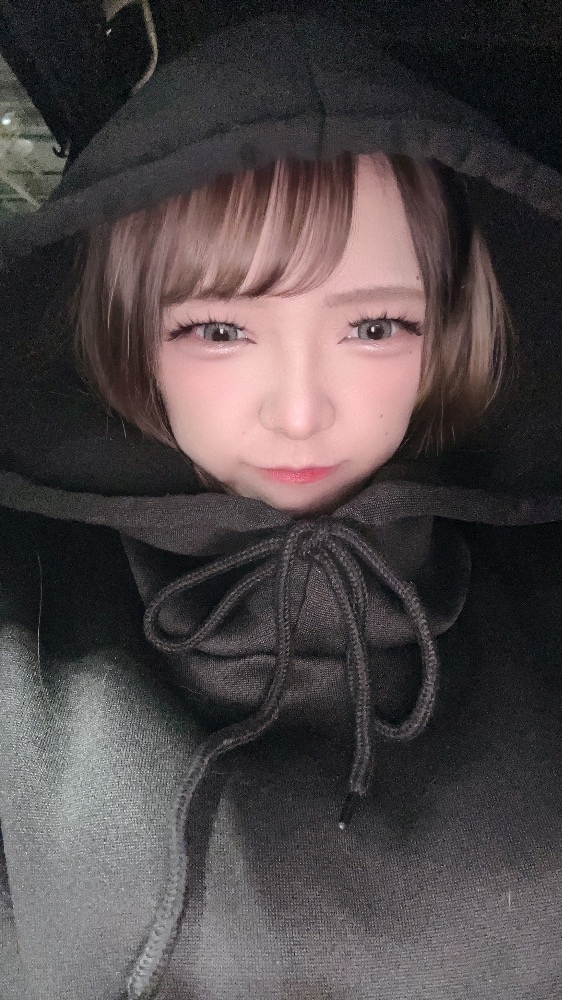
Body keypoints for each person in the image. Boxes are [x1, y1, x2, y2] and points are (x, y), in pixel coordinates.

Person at [0, 10, 560, 1000]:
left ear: (448, 332)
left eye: (374, 325)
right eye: (219, 329)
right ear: (130, 335)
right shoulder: (21, 622)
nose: (300, 412)